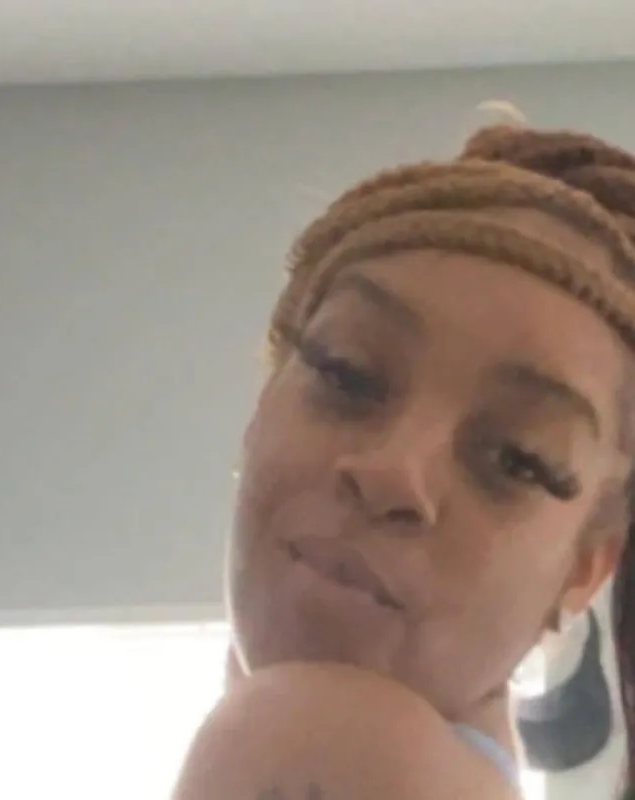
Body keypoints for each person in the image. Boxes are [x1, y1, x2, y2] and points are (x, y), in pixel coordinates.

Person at [170, 117, 635, 800]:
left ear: (585, 570)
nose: (393, 471)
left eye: (516, 459)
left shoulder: (301, 741)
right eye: (347, 374)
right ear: (264, 405)